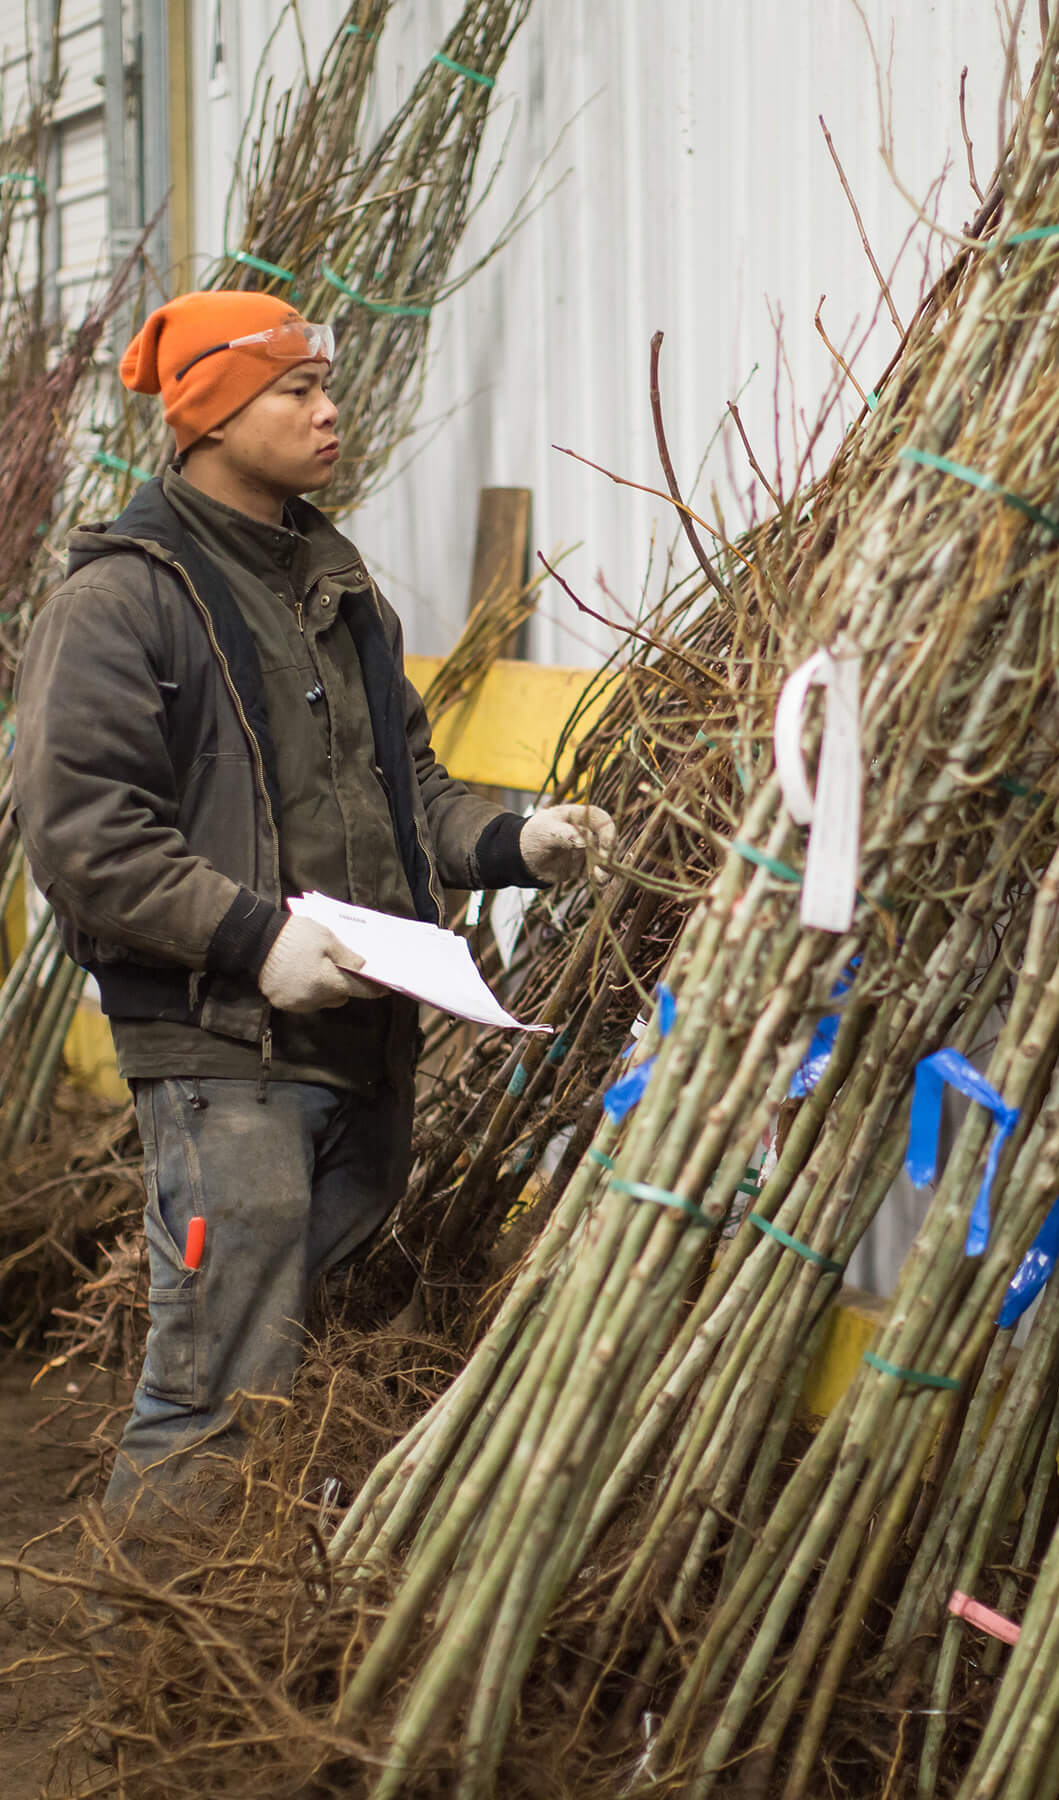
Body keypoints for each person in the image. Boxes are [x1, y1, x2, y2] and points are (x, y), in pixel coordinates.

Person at [12, 290, 612, 1518]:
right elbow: (85, 838)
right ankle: (155, 1679)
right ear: (211, 413)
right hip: (225, 1055)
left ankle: (257, 1614)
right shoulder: (123, 603)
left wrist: (514, 842)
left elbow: (409, 792)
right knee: (215, 1392)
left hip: (358, 1043)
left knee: (299, 1373)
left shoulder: (340, 593)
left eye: (324, 385)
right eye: (294, 389)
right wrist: (256, 938)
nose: (328, 409)